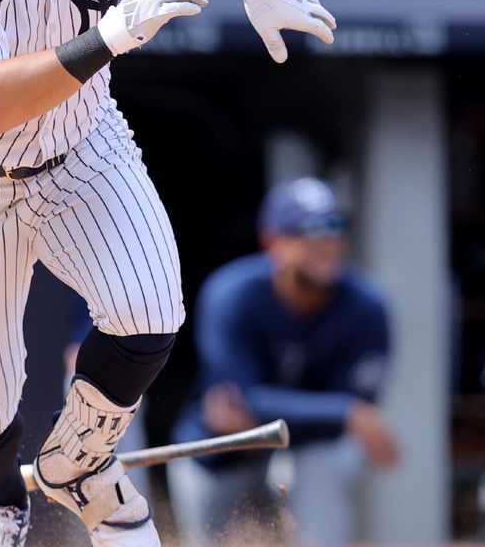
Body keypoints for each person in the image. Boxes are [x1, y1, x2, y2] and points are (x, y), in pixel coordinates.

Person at [0, 0, 337, 543]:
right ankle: (2, 506)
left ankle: (76, 465)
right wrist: (109, 35)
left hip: (80, 142)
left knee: (149, 310)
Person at [169, 177, 401, 546]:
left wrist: (342, 414)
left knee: (326, 461)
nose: (326, 241)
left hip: (309, 449)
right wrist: (346, 411)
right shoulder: (233, 293)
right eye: (308, 230)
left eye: (335, 226)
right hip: (223, 449)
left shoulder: (367, 307)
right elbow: (237, 401)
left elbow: (353, 413)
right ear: (272, 242)